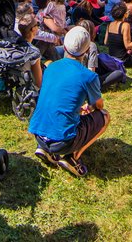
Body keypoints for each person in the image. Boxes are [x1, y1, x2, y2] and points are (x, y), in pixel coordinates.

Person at [29, 27, 110, 177]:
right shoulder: (88, 76)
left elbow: (58, 98)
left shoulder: (51, 67)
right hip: (63, 140)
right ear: (86, 51)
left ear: (65, 46)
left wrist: (77, 108)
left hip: (38, 133)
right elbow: (99, 106)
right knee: (104, 116)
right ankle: (72, 158)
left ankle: (45, 149)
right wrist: (89, 107)